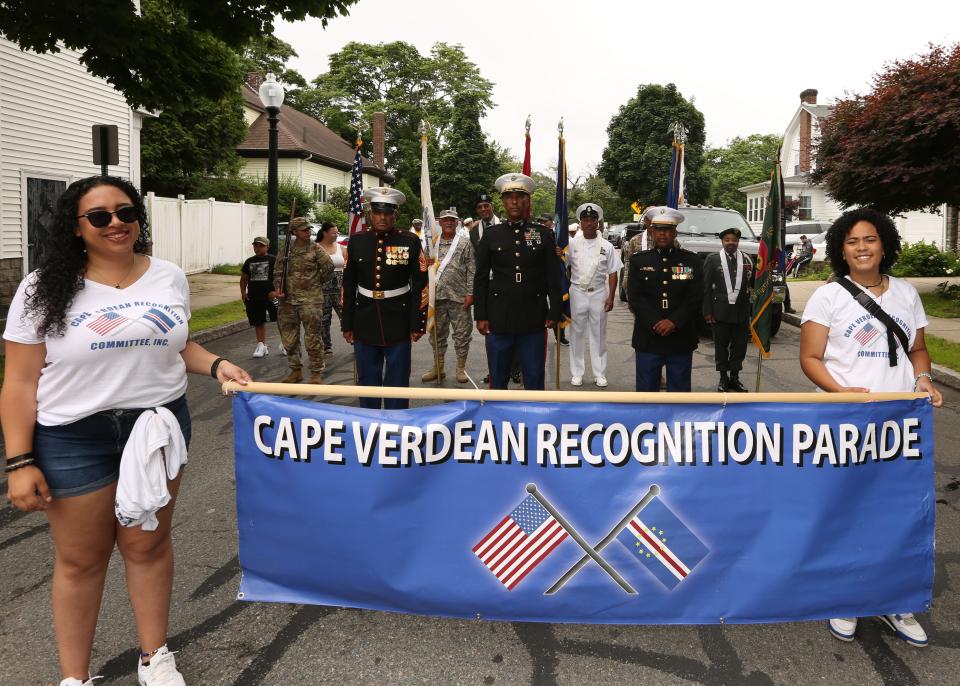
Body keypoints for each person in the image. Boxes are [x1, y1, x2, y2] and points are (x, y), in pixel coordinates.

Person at [0, 175, 252, 686]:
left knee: (147, 547)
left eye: (126, 212)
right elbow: (20, 382)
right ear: (76, 227)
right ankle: (75, 677)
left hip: (155, 427)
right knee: (81, 560)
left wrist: (218, 363)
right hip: (73, 435)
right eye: (99, 216)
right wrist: (20, 461)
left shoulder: (168, 276)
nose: (116, 223)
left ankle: (154, 657)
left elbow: (177, 346)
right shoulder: (42, 286)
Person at [799, 208, 942, 649]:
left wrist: (923, 378)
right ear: (841, 249)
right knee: (847, 511)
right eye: (852, 241)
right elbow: (810, 359)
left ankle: (895, 598)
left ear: (884, 245)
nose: (862, 248)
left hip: (898, 423)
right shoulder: (828, 297)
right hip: (846, 421)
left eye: (870, 239)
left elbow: (917, 349)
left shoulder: (904, 293)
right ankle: (848, 596)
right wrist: (842, 395)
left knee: (897, 514)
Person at [342, 187, 428, 409]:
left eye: (387, 213)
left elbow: (420, 285)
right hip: (365, 318)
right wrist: (347, 322)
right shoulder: (357, 241)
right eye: (378, 212)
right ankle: (369, 424)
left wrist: (417, 322)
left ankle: (396, 424)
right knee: (367, 379)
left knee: (397, 380)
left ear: (395, 215)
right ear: (370, 214)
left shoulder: (409, 241)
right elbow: (348, 284)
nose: (382, 217)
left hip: (398, 319)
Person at [474, 173, 562, 390]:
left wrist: (554, 312)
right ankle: (497, 422)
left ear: (527, 201)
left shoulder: (542, 234)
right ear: (503, 202)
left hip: (533, 318)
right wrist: (481, 315)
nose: (514, 201)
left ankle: (534, 421)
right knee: (498, 376)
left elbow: (553, 276)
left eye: (519, 197)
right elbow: (481, 277)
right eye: (509, 197)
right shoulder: (492, 235)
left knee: (534, 377)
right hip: (498, 318)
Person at [627, 207, 703, 391]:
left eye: (667, 230)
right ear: (651, 231)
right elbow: (635, 298)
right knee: (646, 393)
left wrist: (673, 321)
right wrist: (656, 322)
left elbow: (695, 297)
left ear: (675, 232)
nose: (662, 234)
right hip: (648, 337)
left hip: (680, 337)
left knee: (679, 392)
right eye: (658, 229)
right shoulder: (639, 261)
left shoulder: (691, 261)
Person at [270, 217, 334, 384]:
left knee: (313, 337)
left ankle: (315, 372)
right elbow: (277, 272)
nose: (308, 232)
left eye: (308, 229)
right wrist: (279, 288)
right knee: (289, 337)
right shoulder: (286, 250)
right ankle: (295, 370)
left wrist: (316, 282)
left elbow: (329, 268)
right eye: (304, 229)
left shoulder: (315, 248)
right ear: (294, 232)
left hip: (310, 300)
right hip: (287, 301)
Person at [566, 203, 623, 387]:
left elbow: (613, 272)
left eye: (592, 220)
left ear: (598, 223)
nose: (589, 223)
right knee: (576, 334)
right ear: (580, 223)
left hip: (598, 292)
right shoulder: (571, 244)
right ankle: (577, 373)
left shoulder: (607, 246)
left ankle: (600, 373)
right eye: (585, 220)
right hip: (577, 292)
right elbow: (561, 265)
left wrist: (611, 296)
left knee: (598, 334)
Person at [421, 208, 475, 384]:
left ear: (457, 222)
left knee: (462, 334)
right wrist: (425, 263)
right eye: (445, 220)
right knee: (436, 335)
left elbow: (472, 270)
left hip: (459, 297)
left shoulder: (464, 242)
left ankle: (460, 369)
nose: (449, 223)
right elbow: (421, 267)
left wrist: (470, 293)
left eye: (452, 220)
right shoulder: (431, 243)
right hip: (436, 298)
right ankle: (439, 367)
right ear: (440, 222)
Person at [703, 228, 754, 391]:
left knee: (739, 347)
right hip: (720, 311)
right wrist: (707, 311)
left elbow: (752, 286)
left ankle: (735, 377)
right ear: (722, 242)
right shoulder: (713, 259)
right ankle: (723, 378)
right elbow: (705, 288)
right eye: (727, 240)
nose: (731, 243)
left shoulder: (747, 259)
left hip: (741, 312)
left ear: (738, 242)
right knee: (721, 346)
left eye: (734, 240)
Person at [240, 236, 278, 358]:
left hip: (271, 296)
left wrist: (276, 292)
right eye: (255, 245)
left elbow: (280, 278)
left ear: (267, 247)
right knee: (258, 321)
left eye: (261, 246)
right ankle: (261, 345)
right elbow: (244, 279)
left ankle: (285, 344)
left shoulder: (273, 260)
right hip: (254, 296)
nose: (257, 248)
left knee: (280, 319)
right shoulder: (249, 261)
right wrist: (243, 292)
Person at [315, 221, 347, 357]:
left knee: (346, 315)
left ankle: (356, 342)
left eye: (337, 232)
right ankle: (327, 346)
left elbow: (349, 265)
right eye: (334, 233)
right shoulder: (315, 248)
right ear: (325, 233)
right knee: (324, 319)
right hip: (322, 289)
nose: (337, 235)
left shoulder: (341, 248)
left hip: (340, 288)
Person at [621, 207, 655, 300]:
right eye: (649, 218)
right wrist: (629, 293)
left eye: (655, 218)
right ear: (645, 220)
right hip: (641, 289)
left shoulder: (670, 241)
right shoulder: (635, 241)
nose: (652, 221)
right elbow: (628, 269)